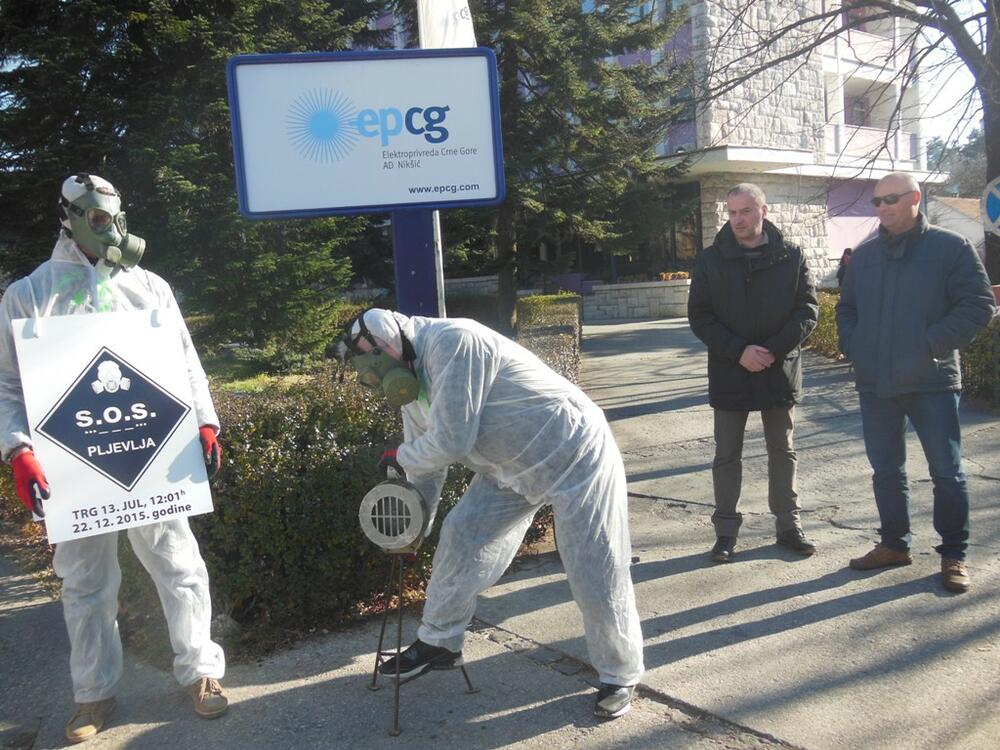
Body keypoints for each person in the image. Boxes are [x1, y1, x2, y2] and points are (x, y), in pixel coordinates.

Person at [0, 174, 229, 743]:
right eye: (97, 219)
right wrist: (18, 450)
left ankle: (200, 672)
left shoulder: (149, 287)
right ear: (69, 217)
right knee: (84, 582)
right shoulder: (30, 294)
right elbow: (7, 384)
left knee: (179, 565)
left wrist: (204, 417)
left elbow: (184, 358)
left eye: (116, 216)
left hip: (147, 452)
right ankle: (93, 695)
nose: (111, 229)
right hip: (74, 467)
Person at [338, 308, 644, 720]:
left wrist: (398, 454)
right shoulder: (410, 388)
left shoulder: (455, 343)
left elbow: (450, 440)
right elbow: (425, 466)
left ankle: (619, 674)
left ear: (387, 340)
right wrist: (416, 529)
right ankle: (441, 641)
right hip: (509, 470)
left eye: (369, 358)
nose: (372, 372)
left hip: (574, 454)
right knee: (462, 534)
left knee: (594, 568)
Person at [836, 172, 995, 593]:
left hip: (932, 381)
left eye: (892, 198)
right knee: (886, 470)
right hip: (877, 382)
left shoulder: (950, 247)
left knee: (947, 472)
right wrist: (856, 346)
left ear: (915, 198)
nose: (883, 207)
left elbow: (978, 305)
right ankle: (894, 544)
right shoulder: (865, 256)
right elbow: (846, 310)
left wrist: (929, 345)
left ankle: (954, 555)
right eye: (877, 201)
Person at [687, 183, 819, 563]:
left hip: (779, 370)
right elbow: (701, 316)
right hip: (731, 371)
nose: (738, 219)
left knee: (783, 451)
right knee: (726, 455)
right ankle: (725, 533)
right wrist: (739, 351)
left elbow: (807, 311)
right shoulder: (711, 260)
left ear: (763, 210)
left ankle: (789, 528)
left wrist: (771, 351)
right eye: (732, 212)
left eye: (745, 211)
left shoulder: (790, 255)